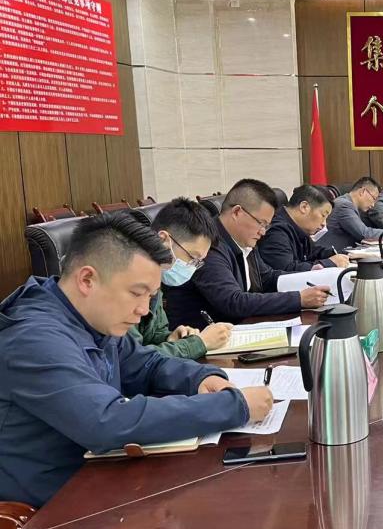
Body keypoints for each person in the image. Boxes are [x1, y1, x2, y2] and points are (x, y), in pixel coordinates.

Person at [0, 212, 273, 509]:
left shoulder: (92, 318)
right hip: (46, 510)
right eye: (137, 293)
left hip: (100, 477)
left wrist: (201, 379)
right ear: (87, 279)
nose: (144, 310)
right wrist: (234, 407)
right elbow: (106, 421)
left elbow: (148, 364)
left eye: (151, 295)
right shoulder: (34, 338)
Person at [164, 178, 331, 328]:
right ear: (237, 212)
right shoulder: (208, 246)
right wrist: (298, 299)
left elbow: (267, 277)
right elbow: (233, 301)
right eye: (261, 223)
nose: (263, 232)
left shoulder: (243, 240)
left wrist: (308, 276)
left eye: (266, 226)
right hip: (204, 337)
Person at [128, 198, 233, 359]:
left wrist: (170, 338)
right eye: (192, 257)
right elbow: (132, 359)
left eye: (198, 262)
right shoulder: (126, 280)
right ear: (163, 239)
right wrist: (199, 343)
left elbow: (152, 335)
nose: (192, 267)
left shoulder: (156, 275)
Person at [258, 184, 350, 272]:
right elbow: (286, 269)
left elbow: (313, 252)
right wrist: (328, 263)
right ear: (304, 207)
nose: (324, 224)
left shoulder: (299, 229)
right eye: (323, 215)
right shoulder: (276, 231)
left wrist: (344, 255)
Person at [322, 176, 383, 251]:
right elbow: (365, 234)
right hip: (332, 254)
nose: (373, 205)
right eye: (374, 199)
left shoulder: (351, 206)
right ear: (362, 191)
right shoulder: (344, 205)